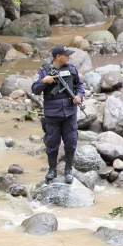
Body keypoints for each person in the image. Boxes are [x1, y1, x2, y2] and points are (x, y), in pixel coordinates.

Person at [31, 45, 85, 184]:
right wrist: (44, 81)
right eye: (66, 54)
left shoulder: (72, 69)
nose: (69, 56)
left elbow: (80, 86)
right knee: (52, 143)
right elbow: (35, 89)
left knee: (71, 142)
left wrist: (79, 96)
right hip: (52, 114)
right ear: (58, 57)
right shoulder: (44, 71)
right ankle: (52, 170)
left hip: (70, 113)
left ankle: (68, 170)